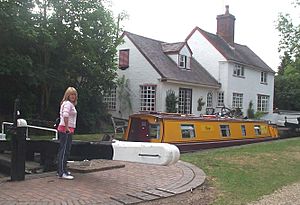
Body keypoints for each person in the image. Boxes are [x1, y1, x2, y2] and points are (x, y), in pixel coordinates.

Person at [57, 87, 78, 180]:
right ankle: (62, 172)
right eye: (71, 94)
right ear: (67, 95)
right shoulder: (68, 104)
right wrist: (66, 127)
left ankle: (63, 170)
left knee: (65, 150)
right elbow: (65, 115)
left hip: (66, 129)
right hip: (66, 130)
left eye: (74, 94)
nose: (73, 96)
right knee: (64, 150)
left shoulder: (67, 104)